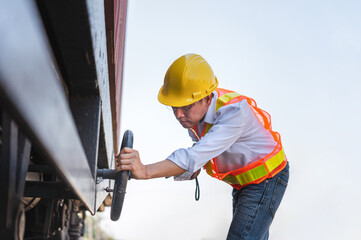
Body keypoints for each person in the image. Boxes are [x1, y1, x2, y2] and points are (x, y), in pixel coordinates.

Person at [116, 53, 289, 240]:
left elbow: (193, 156)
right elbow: (199, 152)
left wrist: (145, 170)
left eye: (186, 107)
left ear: (207, 98)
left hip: (267, 179)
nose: (179, 114)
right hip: (244, 184)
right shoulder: (195, 119)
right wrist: (192, 168)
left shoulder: (234, 113)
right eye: (174, 107)